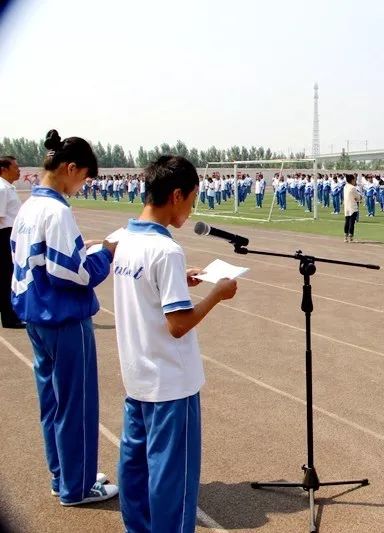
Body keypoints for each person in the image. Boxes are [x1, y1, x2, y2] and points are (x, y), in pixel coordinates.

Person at [112, 155, 237, 532]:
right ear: (177, 195)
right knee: (173, 483)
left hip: (137, 377)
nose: (192, 208)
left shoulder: (125, 239)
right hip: (170, 385)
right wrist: (218, 294)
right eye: (193, 199)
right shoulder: (166, 250)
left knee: (135, 471)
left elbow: (143, 289)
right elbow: (178, 325)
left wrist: (179, 279)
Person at [11, 130, 119, 505]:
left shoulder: (28, 207)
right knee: (77, 404)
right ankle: (78, 486)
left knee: (52, 402)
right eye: (84, 177)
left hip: (37, 315)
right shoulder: (56, 210)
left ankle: (64, 475)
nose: (83, 185)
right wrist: (105, 252)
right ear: (71, 168)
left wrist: (83, 248)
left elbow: (38, 259)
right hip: (63, 318)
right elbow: (73, 272)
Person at [0, 155, 25, 328]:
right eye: (15, 167)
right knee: (5, 277)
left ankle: (11, 315)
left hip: (9, 234)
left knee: (8, 276)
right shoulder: (1, 189)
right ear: (4, 169)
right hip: (3, 235)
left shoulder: (8, 188)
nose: (19, 170)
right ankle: (9, 318)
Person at [343, 174, 362, 243]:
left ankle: (345, 237)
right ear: (352, 180)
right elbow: (358, 197)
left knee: (347, 222)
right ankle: (350, 237)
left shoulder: (345, 187)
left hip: (346, 207)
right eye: (354, 180)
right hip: (353, 207)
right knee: (351, 222)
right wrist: (360, 197)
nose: (355, 181)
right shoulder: (353, 188)